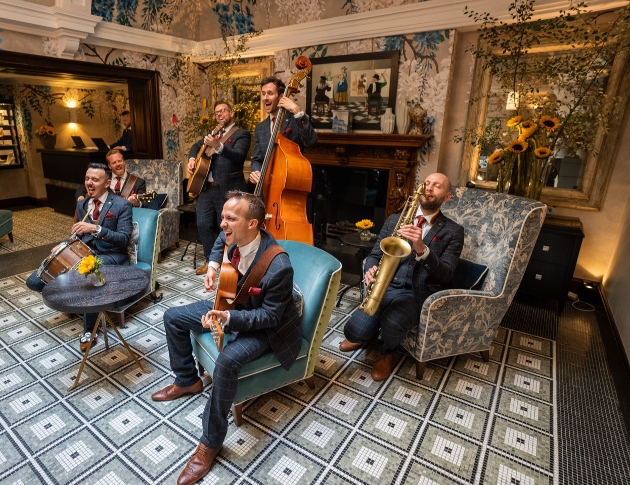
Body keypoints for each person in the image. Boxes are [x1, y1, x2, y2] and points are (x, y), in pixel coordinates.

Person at [152, 190, 300, 485]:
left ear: (253, 224)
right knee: (173, 318)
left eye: (231, 218)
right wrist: (213, 266)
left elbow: (269, 317)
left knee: (227, 361)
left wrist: (228, 318)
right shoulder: (234, 236)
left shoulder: (279, 266)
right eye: (222, 217)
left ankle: (210, 442)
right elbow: (220, 241)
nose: (222, 224)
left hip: (264, 327)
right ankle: (187, 380)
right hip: (233, 303)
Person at [339, 173, 464, 381]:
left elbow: (447, 274)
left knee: (392, 325)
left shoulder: (454, 231)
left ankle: (386, 351)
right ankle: (365, 336)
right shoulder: (396, 220)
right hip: (386, 285)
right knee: (353, 331)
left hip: (416, 293)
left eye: (437, 186)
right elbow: (375, 255)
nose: (429, 188)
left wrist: (422, 249)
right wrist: (369, 270)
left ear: (447, 196)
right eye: (427, 183)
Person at [26, 162, 132, 351]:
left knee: (87, 276)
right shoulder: (83, 204)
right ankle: (76, 301)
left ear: (107, 183)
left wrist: (96, 228)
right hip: (84, 252)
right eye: (87, 179)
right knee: (34, 281)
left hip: (112, 255)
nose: (89, 183)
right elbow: (80, 235)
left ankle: (89, 330)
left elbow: (124, 239)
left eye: (95, 180)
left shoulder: (121, 205)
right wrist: (66, 244)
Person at [187, 101, 251, 275]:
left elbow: (238, 156)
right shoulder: (213, 133)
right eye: (217, 113)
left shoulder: (242, 134)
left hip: (229, 189)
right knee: (202, 223)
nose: (220, 114)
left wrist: (219, 146)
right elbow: (195, 146)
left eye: (223, 111)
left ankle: (230, 263)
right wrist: (192, 159)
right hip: (207, 188)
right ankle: (210, 262)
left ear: (231, 113)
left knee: (226, 227)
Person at [249, 76, 318, 186]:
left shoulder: (296, 120)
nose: (265, 98)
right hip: (267, 189)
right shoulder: (260, 128)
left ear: (281, 97)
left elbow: (311, 141)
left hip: (290, 184)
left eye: (270, 93)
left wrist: (297, 111)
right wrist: (256, 171)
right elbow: (257, 159)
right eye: (263, 93)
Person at [75, 149, 148, 208]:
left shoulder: (138, 182)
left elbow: (145, 205)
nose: (118, 164)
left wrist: (137, 203)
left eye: (120, 161)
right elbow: (82, 189)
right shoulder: (103, 177)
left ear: (124, 162)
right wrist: (81, 200)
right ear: (109, 166)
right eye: (114, 162)